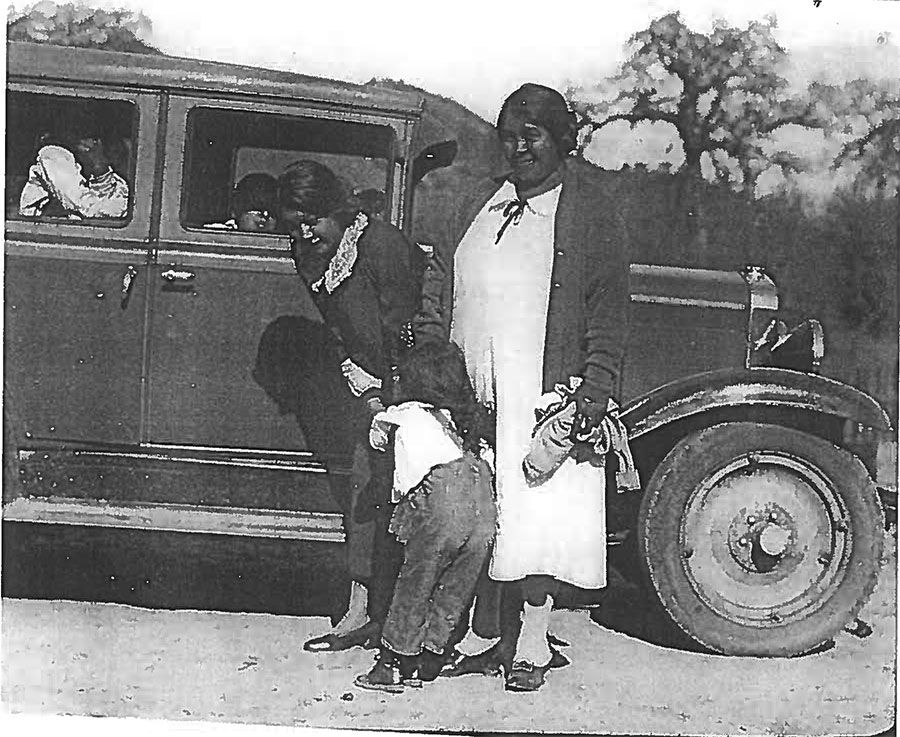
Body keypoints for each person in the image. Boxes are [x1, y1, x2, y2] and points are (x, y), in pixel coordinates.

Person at [414, 83, 631, 692]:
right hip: (480, 390)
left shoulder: (589, 213)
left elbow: (609, 311)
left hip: (542, 390)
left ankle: (532, 643)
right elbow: (446, 281)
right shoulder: (488, 203)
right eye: (508, 135)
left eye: (531, 135)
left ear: (561, 140)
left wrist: (594, 390)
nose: (517, 147)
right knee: (493, 511)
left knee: (541, 510)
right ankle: (495, 638)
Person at [278, 159, 421, 652]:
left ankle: (417, 621)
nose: (303, 230)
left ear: (337, 210)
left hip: (416, 381)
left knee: (417, 494)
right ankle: (361, 611)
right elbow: (338, 325)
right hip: (372, 384)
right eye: (293, 220)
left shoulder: (382, 247)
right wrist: (353, 371)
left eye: (313, 218)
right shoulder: (309, 251)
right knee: (366, 490)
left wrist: (396, 395)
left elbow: (412, 330)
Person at [353, 339, 497, 693]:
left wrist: (371, 398)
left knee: (416, 582)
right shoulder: (460, 421)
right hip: (482, 505)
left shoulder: (404, 414)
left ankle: (391, 663)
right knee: (454, 587)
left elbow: (377, 438)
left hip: (442, 503)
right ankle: (433, 655)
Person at [19, 132, 129, 219]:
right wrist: (98, 165)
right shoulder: (54, 156)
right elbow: (90, 209)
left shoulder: (94, 161)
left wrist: (100, 169)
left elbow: (115, 203)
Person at [205, 173, 279, 232]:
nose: (265, 215)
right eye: (256, 207)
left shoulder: (286, 242)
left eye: (272, 211)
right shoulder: (213, 234)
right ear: (237, 210)